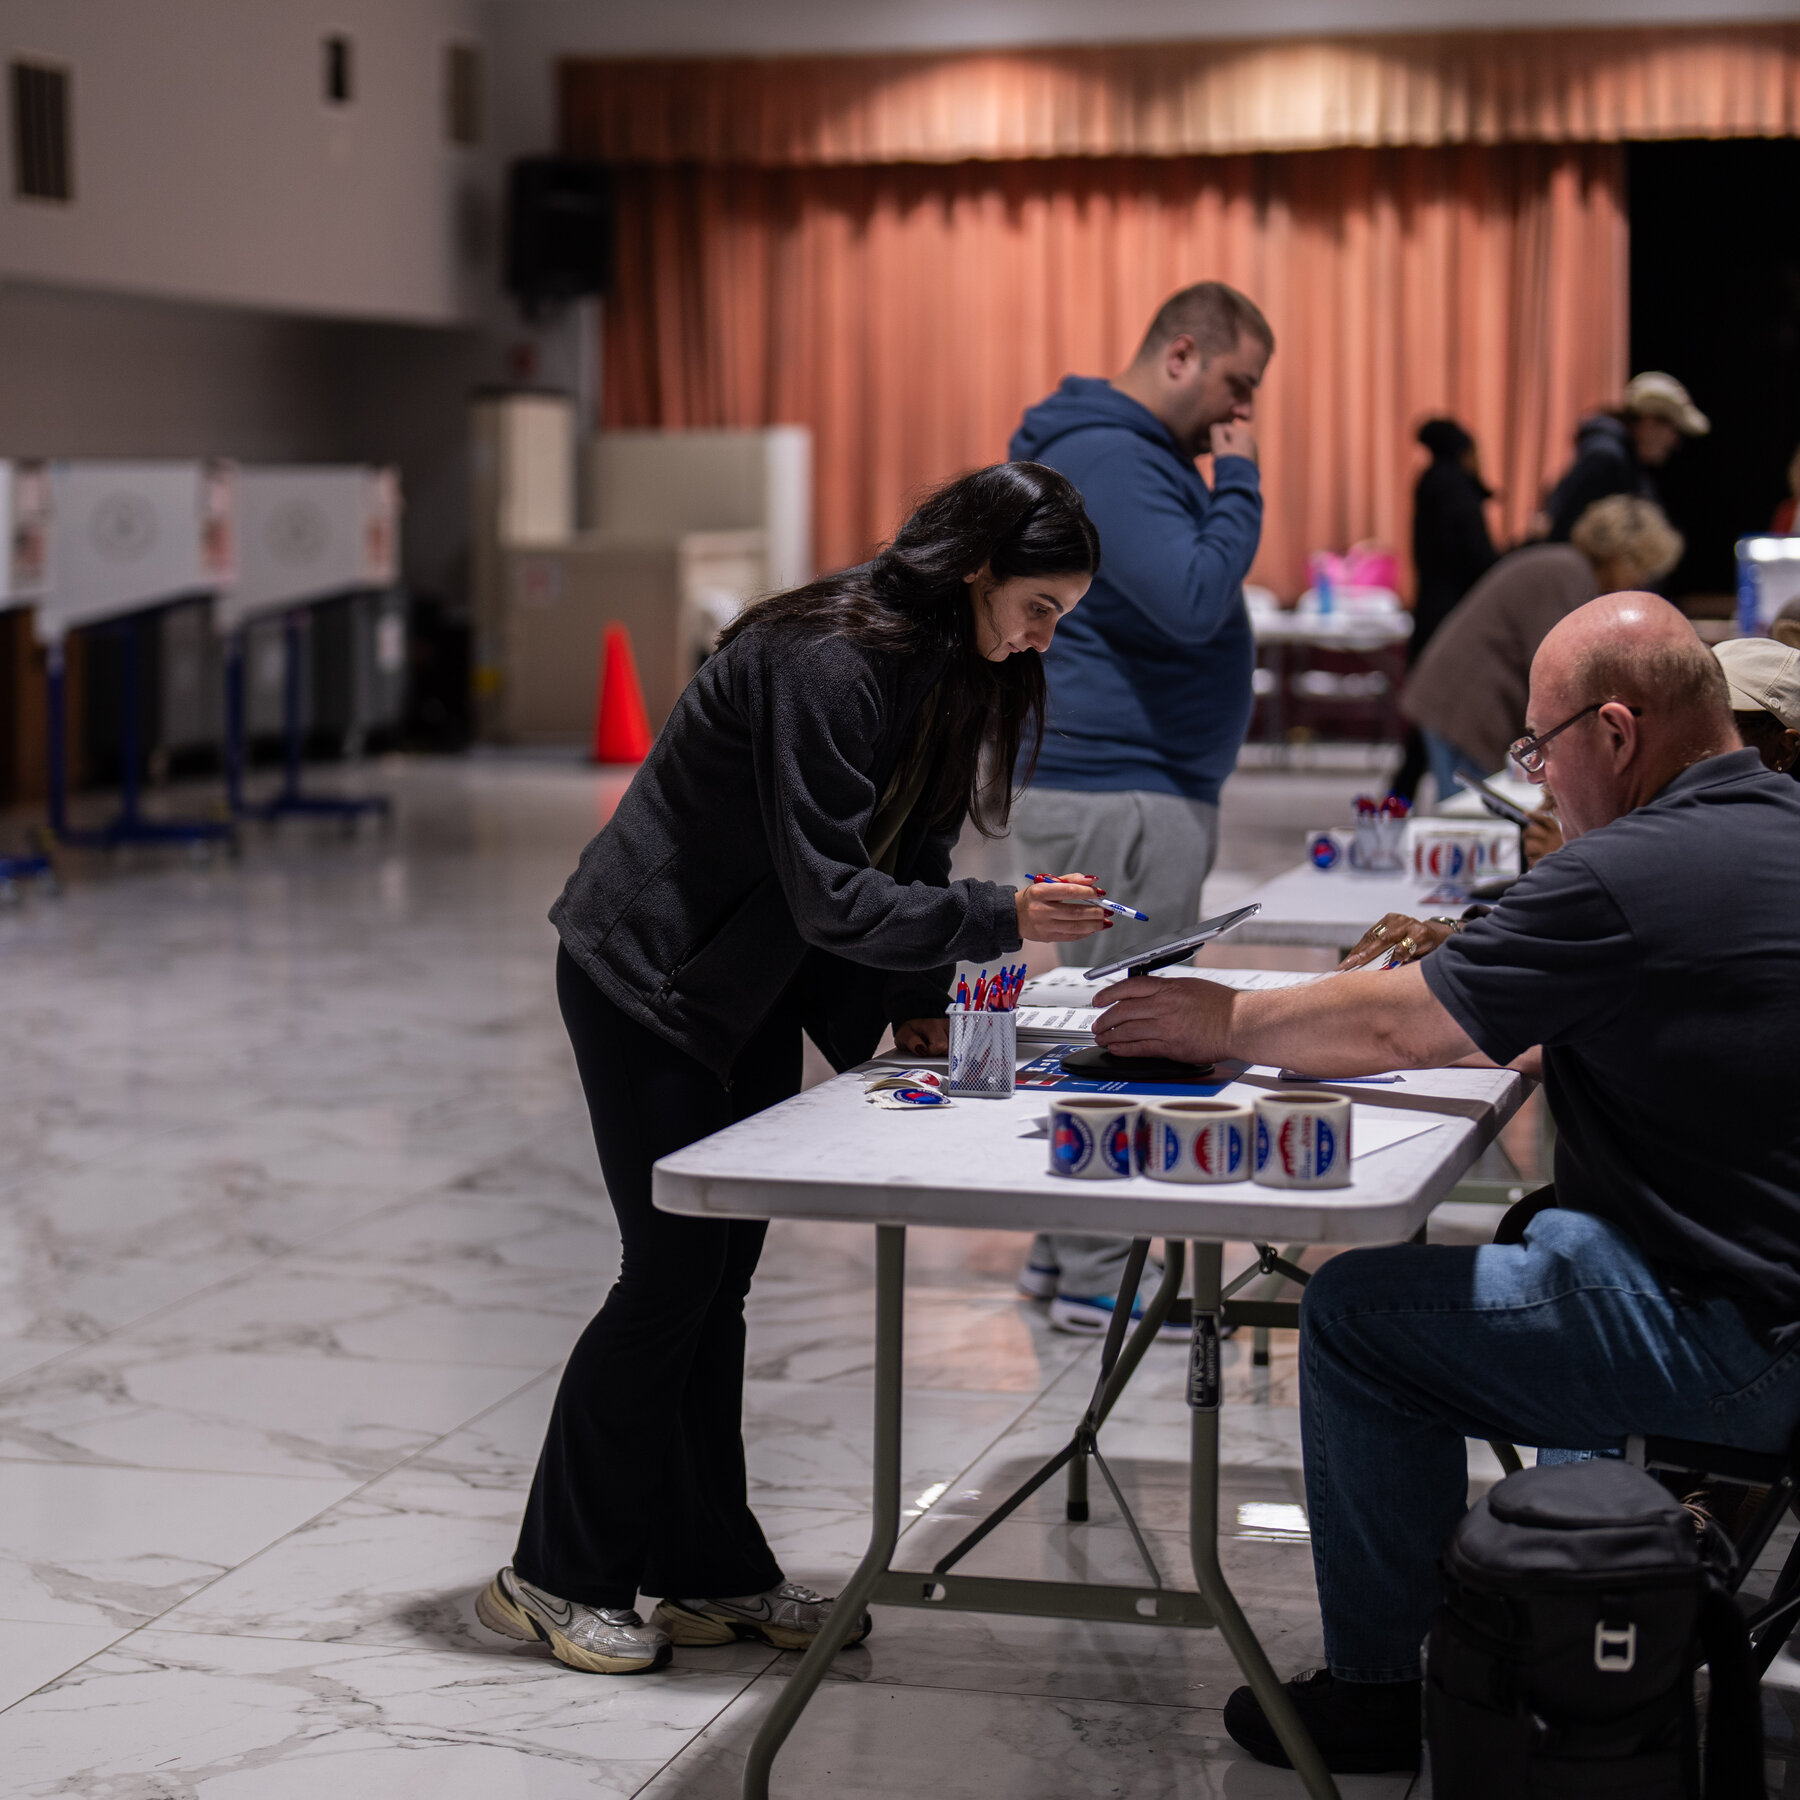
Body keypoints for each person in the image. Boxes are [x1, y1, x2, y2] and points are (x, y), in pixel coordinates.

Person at [1089, 591, 1800, 1772]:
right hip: (1760, 1290)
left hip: (1746, 1344)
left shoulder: (1630, 870)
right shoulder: (1775, 822)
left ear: (1616, 735)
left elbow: (1406, 1028)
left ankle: (1380, 1692)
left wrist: (1225, 1015)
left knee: (1358, 1315)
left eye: (1541, 747)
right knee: (1551, 1228)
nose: (1536, 782)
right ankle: (1576, 1580)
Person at [477, 463, 1111, 1675]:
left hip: (746, 982)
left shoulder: (956, 671)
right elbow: (833, 891)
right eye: (1039, 607)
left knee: (719, 1286)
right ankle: (550, 1576)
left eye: (1061, 619)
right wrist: (1003, 915)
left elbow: (910, 849)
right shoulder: (826, 658)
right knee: (669, 1276)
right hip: (647, 978)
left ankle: (709, 1577)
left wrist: (924, 1010)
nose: (1044, 638)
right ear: (978, 569)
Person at [1003, 280, 1274, 1334]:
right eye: (1234, 387)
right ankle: (1097, 1278)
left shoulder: (1120, 452)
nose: (1235, 416)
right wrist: (1241, 480)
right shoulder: (1116, 457)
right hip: (1120, 790)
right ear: (1181, 353)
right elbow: (1196, 596)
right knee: (1135, 1028)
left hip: (1125, 786)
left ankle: (1059, 1248)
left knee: (1106, 1020)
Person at [1400, 494, 1682, 799]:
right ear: (1622, 556)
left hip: (1460, 697)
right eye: (1642, 569)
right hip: (1464, 704)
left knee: (1477, 813)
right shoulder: (1568, 575)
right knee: (1473, 817)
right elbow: (1558, 671)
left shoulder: (1565, 567)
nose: (1640, 583)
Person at [1391, 418, 1498, 803]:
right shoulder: (1456, 490)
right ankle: (1424, 807)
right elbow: (1478, 560)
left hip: (1428, 615)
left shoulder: (1429, 483)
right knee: (1434, 725)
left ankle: (1393, 808)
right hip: (1455, 622)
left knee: (1420, 731)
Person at [1541, 370, 1709, 544]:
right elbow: (1564, 532)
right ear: (1650, 421)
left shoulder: (1625, 463)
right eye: (1674, 431)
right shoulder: (1606, 459)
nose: (1675, 443)